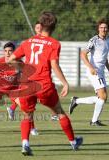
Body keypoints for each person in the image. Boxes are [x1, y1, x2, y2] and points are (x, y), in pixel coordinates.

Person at [7, 11, 83, 156]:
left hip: (27, 84)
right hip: (44, 85)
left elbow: (10, 60)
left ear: (40, 26)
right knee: (59, 112)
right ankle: (73, 142)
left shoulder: (28, 41)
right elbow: (54, 65)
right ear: (54, 27)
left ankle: (25, 144)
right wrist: (65, 83)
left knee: (26, 115)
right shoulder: (54, 44)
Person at [69, 18, 109, 126]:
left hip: (100, 72)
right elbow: (83, 54)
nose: (103, 29)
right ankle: (94, 121)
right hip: (93, 71)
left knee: (102, 98)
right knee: (103, 96)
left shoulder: (107, 41)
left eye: (105, 27)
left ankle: (76, 101)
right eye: (101, 27)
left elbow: (104, 58)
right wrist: (91, 67)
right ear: (98, 29)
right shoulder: (94, 40)